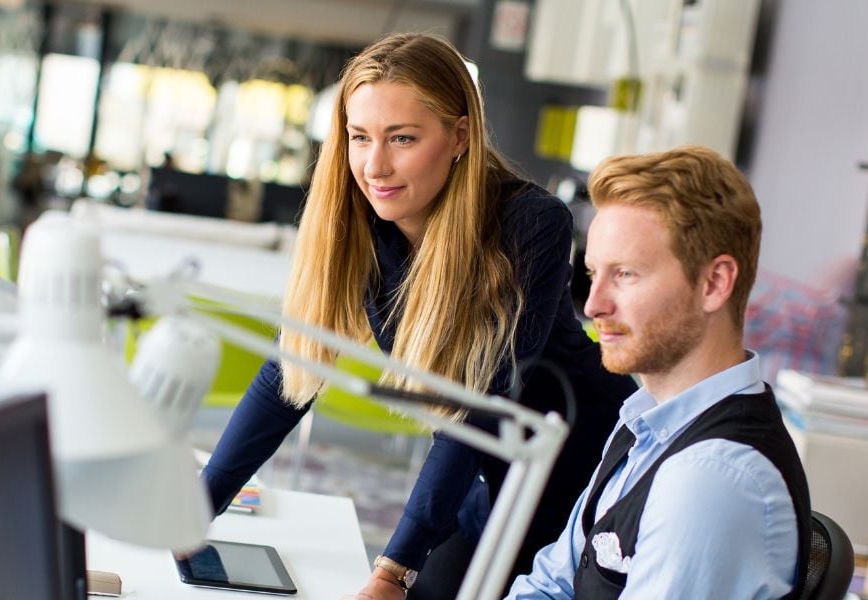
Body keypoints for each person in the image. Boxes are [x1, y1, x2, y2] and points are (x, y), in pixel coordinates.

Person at [199, 33, 636, 599]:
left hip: (587, 483)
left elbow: (479, 404)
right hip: (491, 480)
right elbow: (290, 372)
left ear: (459, 136)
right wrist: (198, 506)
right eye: (360, 137)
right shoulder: (362, 226)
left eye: (402, 138)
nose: (374, 165)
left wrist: (394, 568)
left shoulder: (531, 224)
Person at [506, 146, 813, 599]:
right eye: (593, 274)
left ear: (714, 284)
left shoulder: (711, 477)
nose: (594, 305)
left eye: (626, 274)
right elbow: (551, 584)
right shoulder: (645, 422)